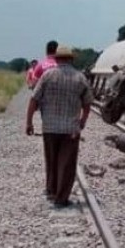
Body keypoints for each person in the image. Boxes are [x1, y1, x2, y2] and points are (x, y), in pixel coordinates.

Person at [26, 45, 93, 207]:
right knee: (67, 163)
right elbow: (88, 103)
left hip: (50, 127)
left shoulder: (47, 76)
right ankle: (61, 198)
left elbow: (34, 99)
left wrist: (29, 122)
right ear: (71, 59)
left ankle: (51, 190)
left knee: (52, 160)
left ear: (56, 59)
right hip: (71, 129)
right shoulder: (80, 77)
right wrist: (82, 120)